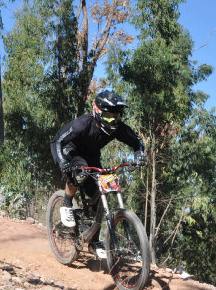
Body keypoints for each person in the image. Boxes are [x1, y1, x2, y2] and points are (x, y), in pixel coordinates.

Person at [50, 90, 146, 258]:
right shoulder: (83, 123)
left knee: (99, 194)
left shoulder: (117, 128)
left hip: (92, 157)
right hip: (72, 152)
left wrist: (139, 156)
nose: (113, 121)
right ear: (97, 112)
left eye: (116, 117)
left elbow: (136, 141)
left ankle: (94, 241)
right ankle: (66, 203)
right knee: (80, 172)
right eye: (108, 116)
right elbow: (57, 140)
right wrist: (63, 162)